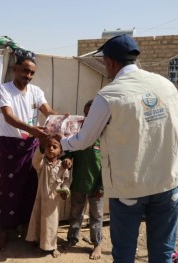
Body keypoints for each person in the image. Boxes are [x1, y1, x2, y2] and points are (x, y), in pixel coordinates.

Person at [54, 34, 178, 263]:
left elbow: (84, 140)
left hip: (131, 188)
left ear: (110, 62)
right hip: (169, 182)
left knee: (125, 254)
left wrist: (62, 143)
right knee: (162, 254)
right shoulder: (166, 85)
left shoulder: (109, 95)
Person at [0, 48, 58, 250]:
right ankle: (4, 231)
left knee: (31, 188)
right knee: (8, 190)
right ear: (15, 69)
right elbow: (8, 117)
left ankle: (26, 230)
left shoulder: (36, 92)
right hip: (11, 146)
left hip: (32, 147)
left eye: (31, 73)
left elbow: (47, 112)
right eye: (25, 71)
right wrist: (33, 130)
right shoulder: (3, 89)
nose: (28, 76)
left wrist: (61, 121)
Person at [61, 99, 104, 260]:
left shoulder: (103, 135)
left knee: (96, 216)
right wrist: (68, 159)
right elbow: (70, 149)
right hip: (79, 182)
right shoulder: (78, 133)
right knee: (75, 213)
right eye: (85, 113)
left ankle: (97, 244)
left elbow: (107, 164)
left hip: (96, 186)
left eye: (90, 114)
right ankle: (72, 239)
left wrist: (102, 186)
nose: (87, 117)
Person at [25, 136, 70, 258]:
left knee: (52, 224)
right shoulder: (42, 164)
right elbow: (35, 161)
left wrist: (65, 191)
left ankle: (52, 247)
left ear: (60, 151)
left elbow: (66, 181)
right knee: (40, 222)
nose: (50, 149)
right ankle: (40, 244)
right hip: (41, 199)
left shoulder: (63, 166)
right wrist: (41, 146)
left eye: (54, 147)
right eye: (48, 146)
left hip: (54, 202)